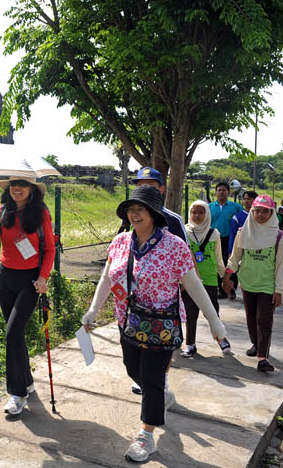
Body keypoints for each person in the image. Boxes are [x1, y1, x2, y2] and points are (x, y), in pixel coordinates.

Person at [81, 185, 226, 462]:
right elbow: (107, 278)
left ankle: (146, 436)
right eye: (130, 210)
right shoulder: (121, 242)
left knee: (151, 377)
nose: (134, 215)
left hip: (162, 324)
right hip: (128, 320)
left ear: (154, 214)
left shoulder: (175, 246)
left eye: (140, 210)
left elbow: (194, 287)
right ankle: (160, 396)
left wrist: (215, 323)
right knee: (133, 370)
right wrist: (92, 310)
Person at [0, 176, 55, 416]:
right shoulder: (3, 211)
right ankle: (27, 382)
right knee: (16, 334)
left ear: (32, 189)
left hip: (31, 280)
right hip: (6, 278)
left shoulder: (40, 212)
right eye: (14, 184)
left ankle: (17, 394)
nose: (17, 188)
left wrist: (43, 278)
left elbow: (49, 248)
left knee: (12, 333)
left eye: (23, 184)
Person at [126, 166, 187, 396]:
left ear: (161, 189)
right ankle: (144, 377)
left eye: (150, 186)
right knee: (139, 339)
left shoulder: (173, 220)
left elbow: (185, 259)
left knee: (163, 342)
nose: (144, 190)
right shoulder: (131, 217)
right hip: (138, 295)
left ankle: (162, 378)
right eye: (140, 186)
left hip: (165, 297)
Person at [222, 195, 283, 372]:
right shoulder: (243, 232)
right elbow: (235, 257)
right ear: (252, 211)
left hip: (268, 285)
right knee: (251, 317)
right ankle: (256, 344)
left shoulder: (278, 237)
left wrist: (279, 290)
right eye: (257, 210)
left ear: (272, 213)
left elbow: (281, 266)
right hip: (247, 282)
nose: (260, 214)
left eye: (265, 211)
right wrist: (227, 276)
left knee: (263, 320)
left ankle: (263, 357)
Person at [181, 200, 231, 357]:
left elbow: (218, 258)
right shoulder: (184, 233)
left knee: (212, 311)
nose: (197, 215)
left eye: (201, 212)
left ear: (207, 214)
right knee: (190, 313)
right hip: (189, 280)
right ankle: (190, 344)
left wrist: (225, 277)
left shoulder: (214, 234)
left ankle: (221, 338)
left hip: (209, 279)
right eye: (194, 212)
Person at [209, 182, 243, 299]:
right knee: (218, 263)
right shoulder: (209, 207)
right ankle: (221, 289)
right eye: (219, 190)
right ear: (216, 192)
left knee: (230, 264)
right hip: (214, 239)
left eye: (224, 190)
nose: (221, 192)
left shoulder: (236, 207)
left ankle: (232, 289)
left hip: (230, 239)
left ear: (228, 192)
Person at [228, 190, 259, 254]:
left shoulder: (261, 217)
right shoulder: (237, 217)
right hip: (242, 250)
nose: (246, 201)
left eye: (249, 199)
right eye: (244, 199)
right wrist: (231, 251)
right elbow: (233, 235)